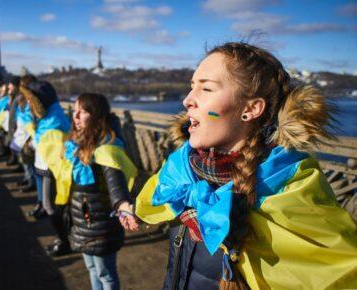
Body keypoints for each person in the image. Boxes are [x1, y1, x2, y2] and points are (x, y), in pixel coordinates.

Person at [135, 42, 357, 290]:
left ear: (250, 109)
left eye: (206, 88)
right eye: (191, 87)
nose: (187, 100)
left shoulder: (290, 188)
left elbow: (340, 271)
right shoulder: (181, 167)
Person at [54, 93, 139, 290]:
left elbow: (114, 178)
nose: (74, 117)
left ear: (96, 115)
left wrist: (123, 205)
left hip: (100, 223)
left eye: (81, 112)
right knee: (92, 268)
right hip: (83, 221)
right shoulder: (76, 142)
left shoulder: (107, 147)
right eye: (74, 111)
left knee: (105, 274)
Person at [20, 80, 72, 255]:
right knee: (50, 205)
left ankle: (65, 241)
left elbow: (49, 146)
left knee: (51, 205)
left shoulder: (54, 121)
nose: (29, 104)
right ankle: (63, 238)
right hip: (45, 165)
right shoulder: (48, 116)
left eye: (31, 100)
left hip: (51, 167)